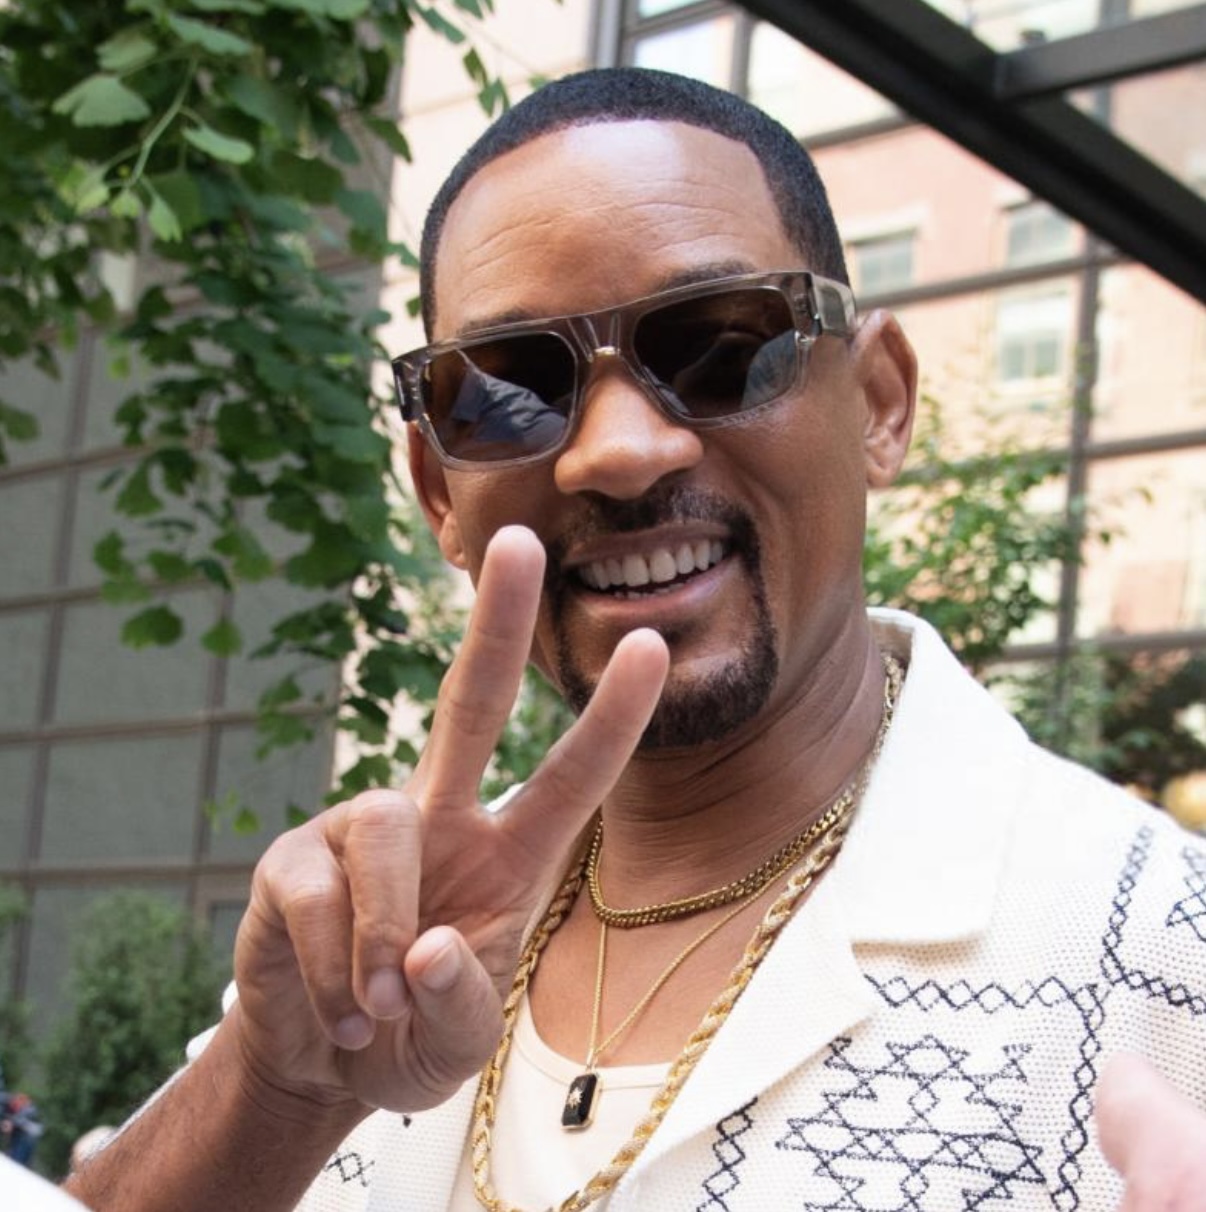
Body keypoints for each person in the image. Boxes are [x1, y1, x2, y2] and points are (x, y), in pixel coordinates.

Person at [65, 67, 1205, 1212]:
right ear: (440, 492)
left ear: (878, 402)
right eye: (508, 393)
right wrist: (278, 1088)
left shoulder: (1160, 947)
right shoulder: (383, 941)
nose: (616, 451)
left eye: (719, 346)